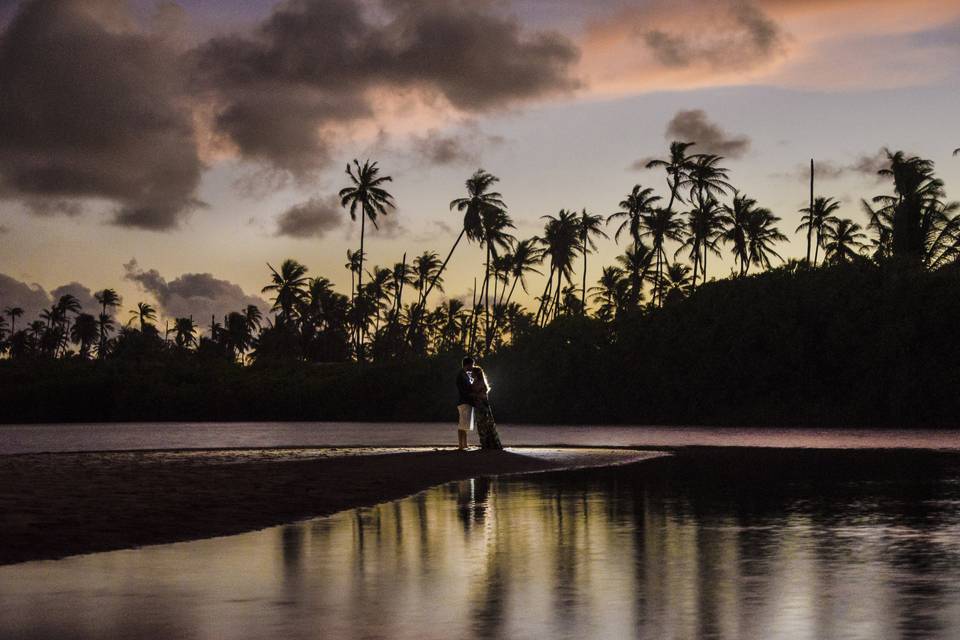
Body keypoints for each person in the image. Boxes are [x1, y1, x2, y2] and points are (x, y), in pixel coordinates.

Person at [469, 364, 503, 451]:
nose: (471, 373)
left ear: (476, 373)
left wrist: (473, 395)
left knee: (483, 426)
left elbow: (481, 395)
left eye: (472, 372)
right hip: (482, 406)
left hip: (481, 407)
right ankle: (487, 444)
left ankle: (486, 444)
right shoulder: (480, 382)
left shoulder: (478, 383)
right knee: (484, 426)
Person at [455, 356, 476, 450]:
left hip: (465, 401)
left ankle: (465, 444)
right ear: (467, 365)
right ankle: (461, 445)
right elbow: (464, 389)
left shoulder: (464, 374)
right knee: (462, 423)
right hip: (464, 401)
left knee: (465, 424)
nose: (473, 367)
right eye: (472, 364)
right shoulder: (462, 375)